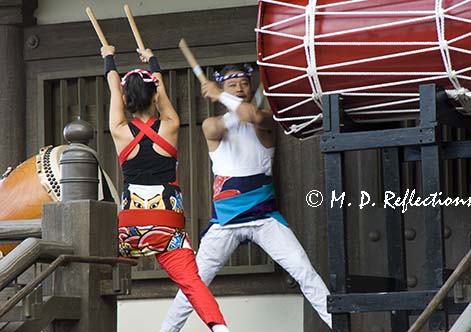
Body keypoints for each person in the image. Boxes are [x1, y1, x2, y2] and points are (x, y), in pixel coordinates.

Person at [159, 63, 332, 332]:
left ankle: (341, 325)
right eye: (232, 85)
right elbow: (218, 128)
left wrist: (221, 95)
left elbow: (253, 115)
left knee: (304, 272)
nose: (240, 89)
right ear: (223, 88)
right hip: (225, 221)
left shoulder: (265, 121)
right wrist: (226, 103)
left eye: (243, 84)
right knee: (193, 285)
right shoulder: (211, 124)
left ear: (251, 87)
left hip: (264, 217)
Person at [100, 45, 230, 332]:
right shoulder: (171, 126)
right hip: (167, 226)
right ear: (155, 95)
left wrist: (109, 56)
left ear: (126, 99)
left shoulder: (119, 129)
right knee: (192, 283)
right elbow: (160, 91)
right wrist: (152, 62)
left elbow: (113, 89)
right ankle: (219, 327)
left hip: (130, 229)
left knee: (97, 269)